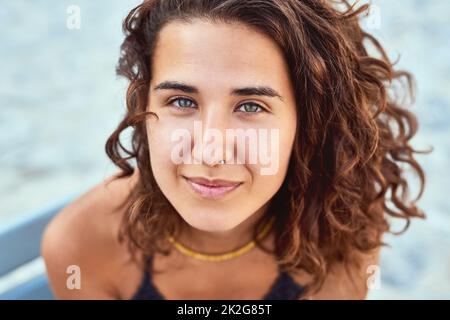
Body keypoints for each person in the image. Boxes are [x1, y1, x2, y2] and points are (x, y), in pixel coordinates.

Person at [41, 0, 427, 300]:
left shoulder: (343, 218)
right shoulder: (82, 244)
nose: (211, 151)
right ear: (144, 107)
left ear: (308, 121)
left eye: (250, 106)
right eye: (182, 101)